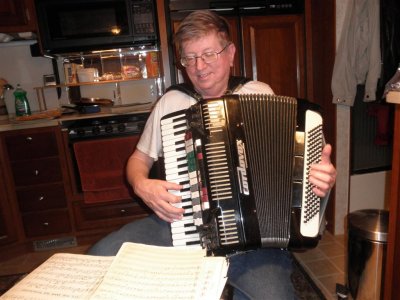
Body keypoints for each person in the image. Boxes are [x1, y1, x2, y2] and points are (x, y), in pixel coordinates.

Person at [88, 10, 337, 299]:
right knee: (101, 255)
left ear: (230, 53)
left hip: (254, 238)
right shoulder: (171, 102)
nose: (199, 66)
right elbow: (138, 160)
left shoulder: (259, 94)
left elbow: (293, 169)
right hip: (179, 223)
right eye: (189, 57)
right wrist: (141, 184)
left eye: (208, 53)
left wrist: (318, 178)